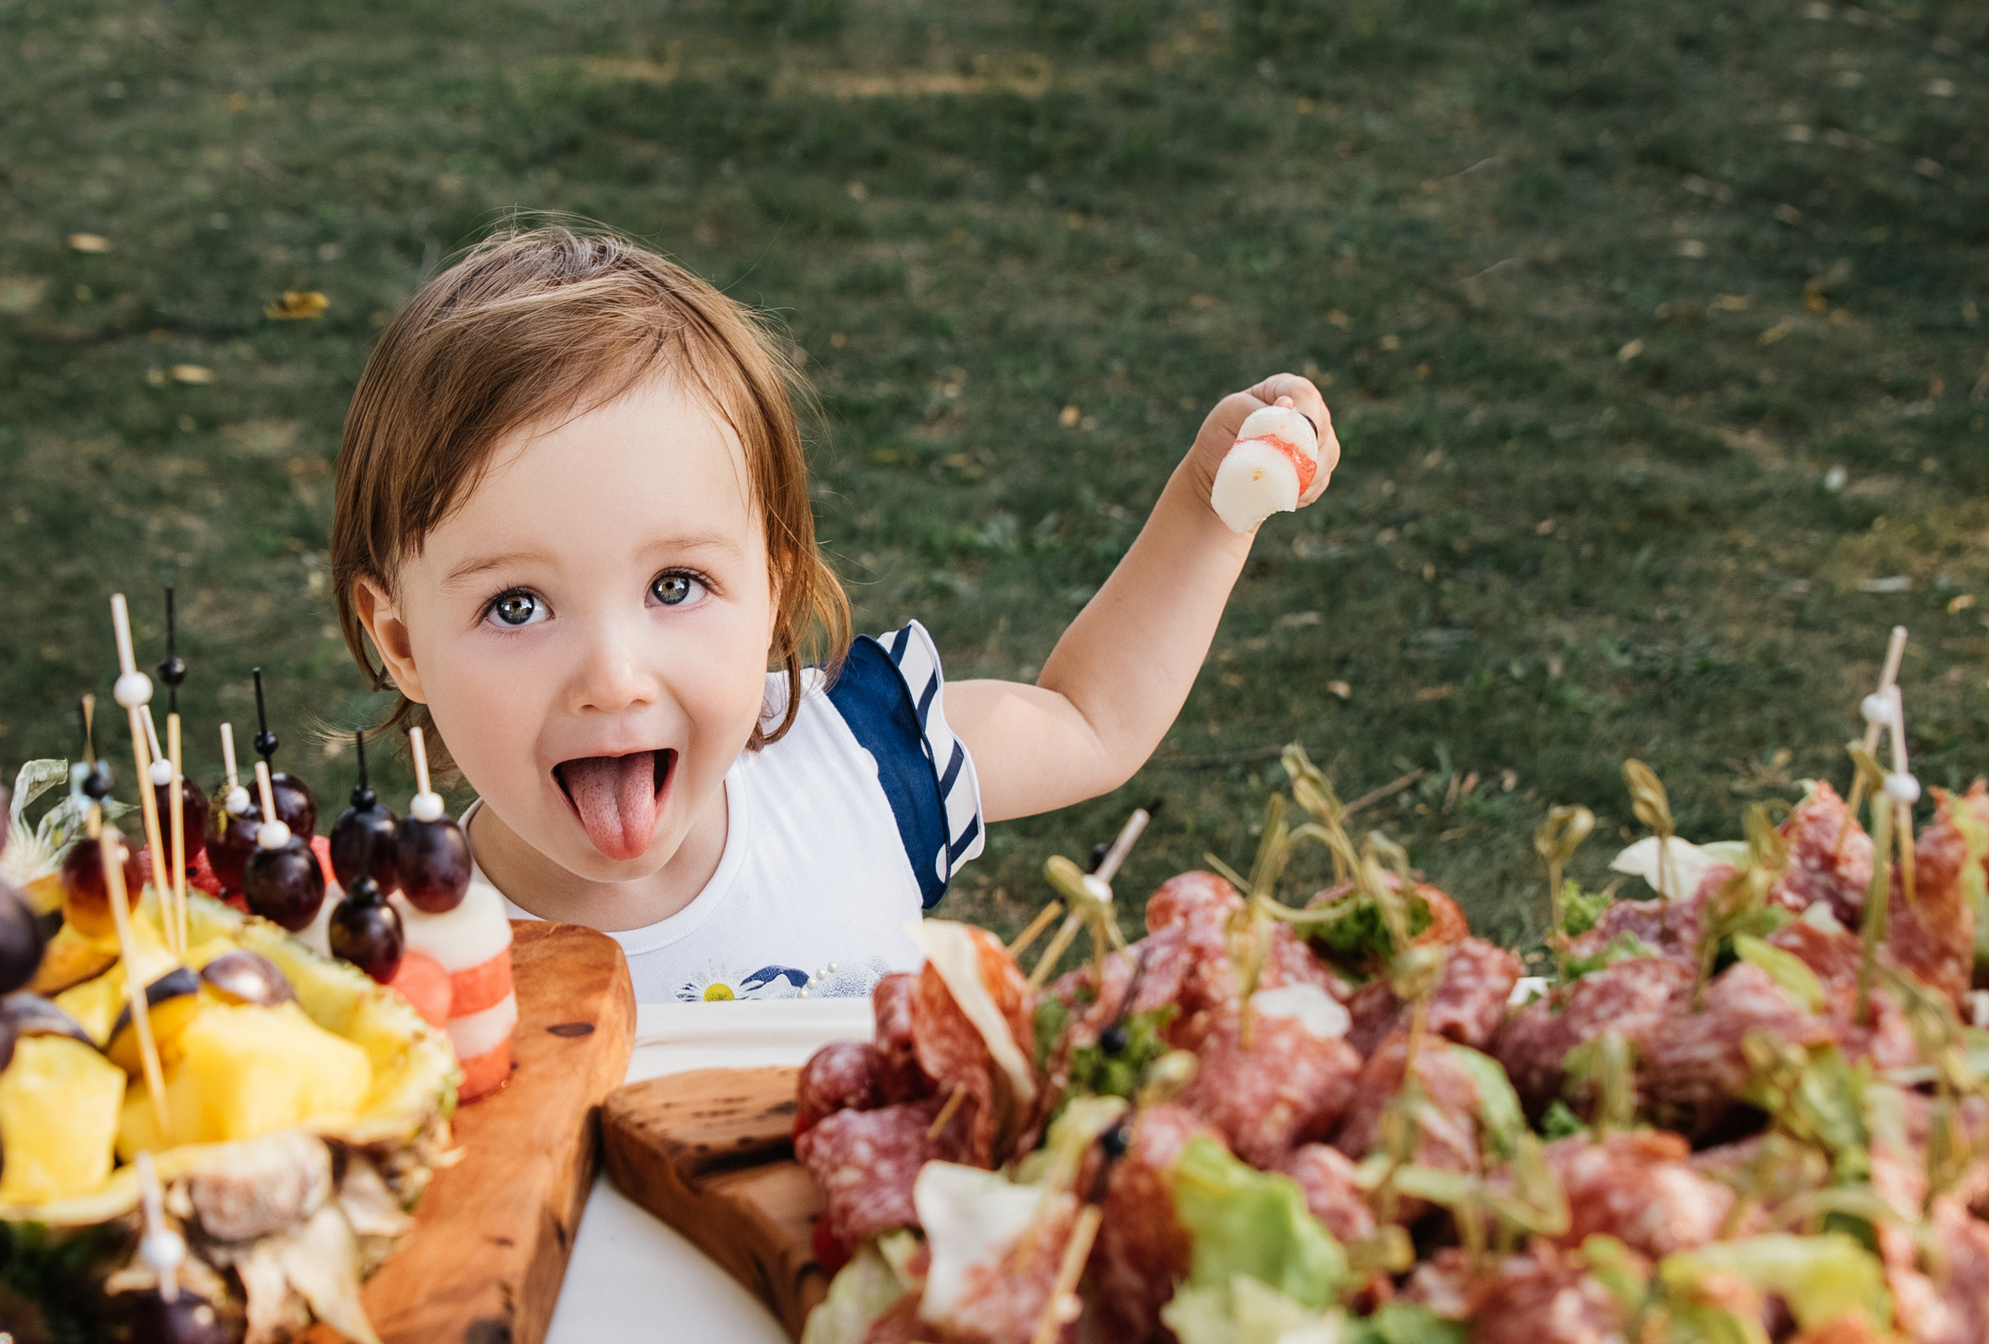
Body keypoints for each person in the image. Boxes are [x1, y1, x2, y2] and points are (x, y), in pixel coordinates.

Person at [329, 224, 1337, 1005]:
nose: (613, 678)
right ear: (402, 642)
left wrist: (1212, 503)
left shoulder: (856, 764)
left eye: (675, 585)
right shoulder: (387, 949)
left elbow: (1091, 719)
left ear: (772, 586)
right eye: (516, 605)